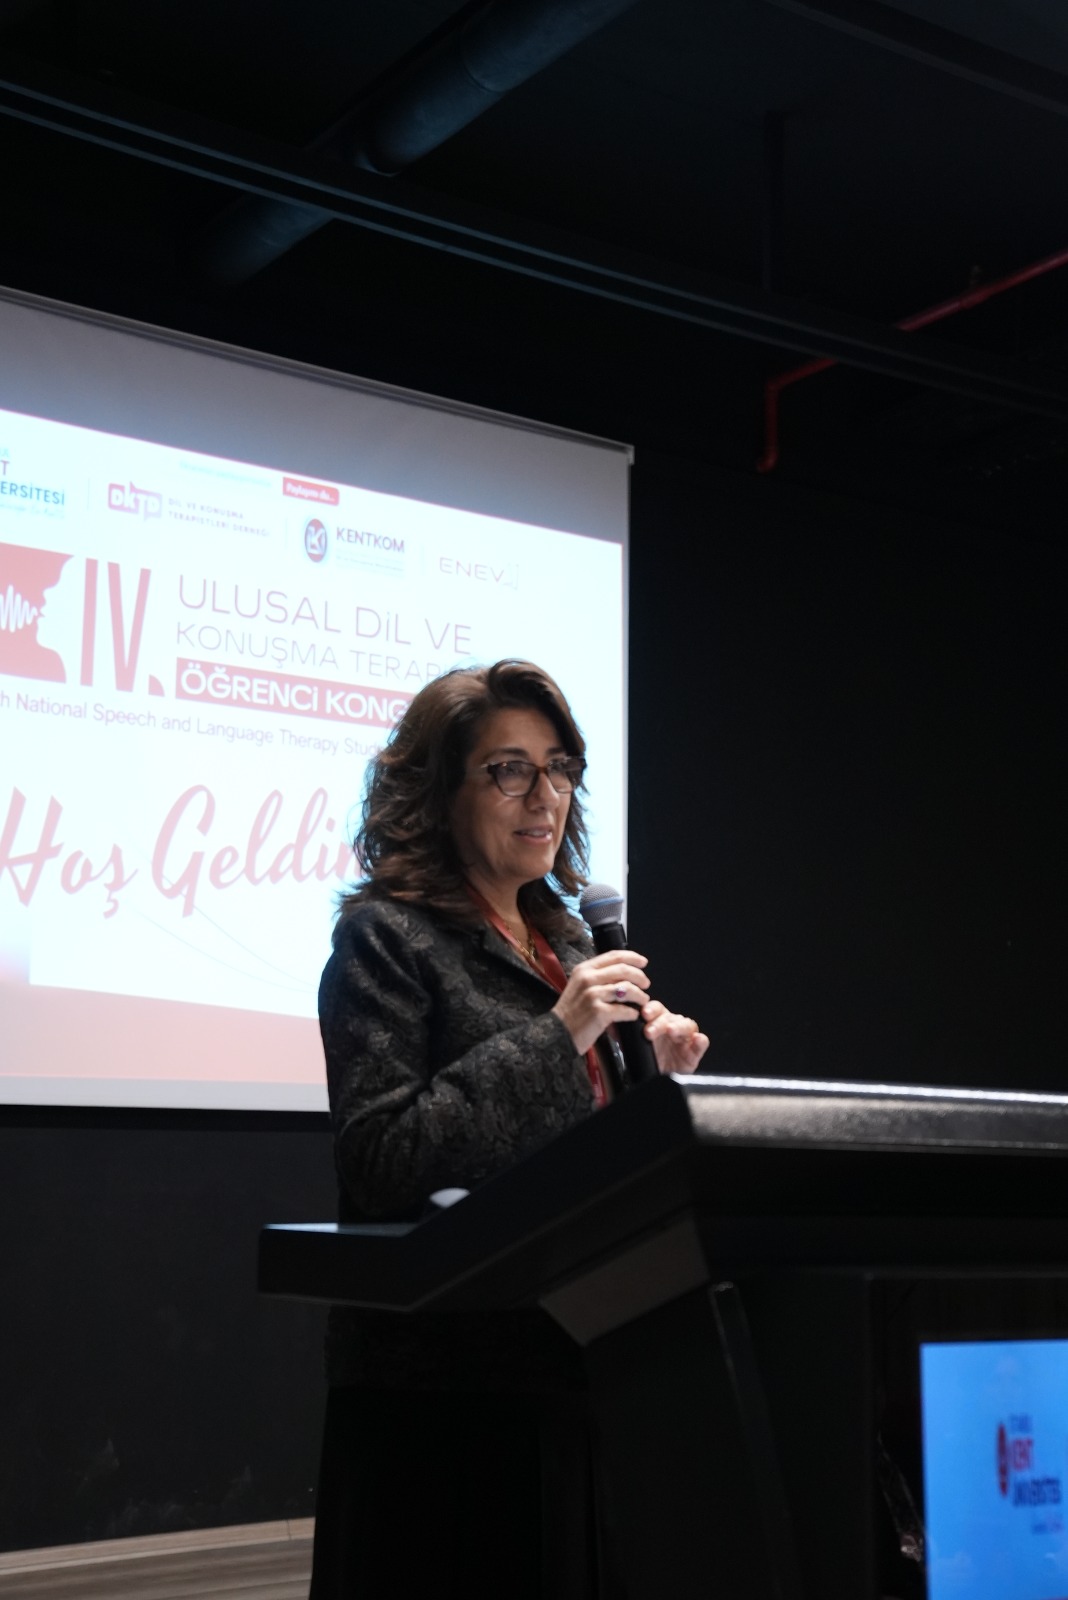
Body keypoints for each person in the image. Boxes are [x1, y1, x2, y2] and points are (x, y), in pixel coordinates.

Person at [310, 659, 708, 1599]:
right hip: (450, 1397)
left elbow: (587, 1151)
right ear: (437, 793)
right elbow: (383, 1157)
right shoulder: (387, 939)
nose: (546, 796)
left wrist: (658, 1085)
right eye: (509, 770)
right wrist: (560, 1034)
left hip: (591, 1357)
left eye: (560, 768)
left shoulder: (568, 940)